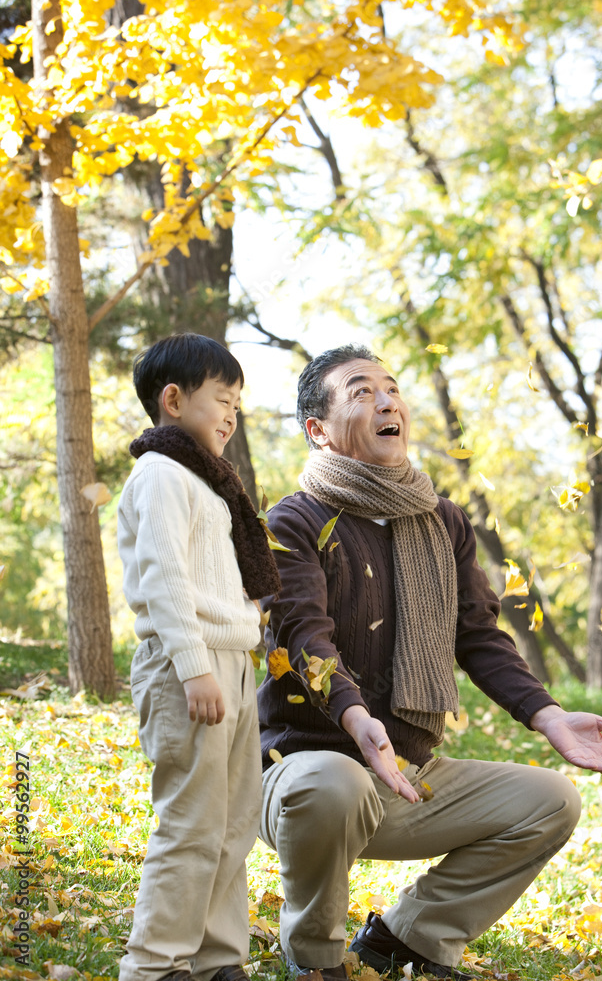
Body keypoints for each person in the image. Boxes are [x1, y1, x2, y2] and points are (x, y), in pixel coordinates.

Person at [256, 344, 602, 981]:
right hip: (300, 773)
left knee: (551, 801)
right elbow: (303, 639)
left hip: (408, 773)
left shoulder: (443, 521)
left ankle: (410, 939)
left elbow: (479, 636)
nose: (386, 401)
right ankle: (317, 959)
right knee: (334, 782)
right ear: (317, 430)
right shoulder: (293, 522)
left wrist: (547, 715)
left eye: (392, 388)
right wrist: (354, 718)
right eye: (360, 391)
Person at [117, 333, 281, 981]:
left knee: (233, 822)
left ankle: (218, 959)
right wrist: (194, 668)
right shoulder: (159, 474)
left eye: (238, 402)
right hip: (190, 663)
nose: (231, 415)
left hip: (231, 661)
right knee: (189, 823)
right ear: (173, 398)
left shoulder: (210, 484)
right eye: (222, 398)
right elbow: (164, 579)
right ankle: (154, 965)